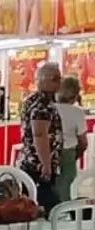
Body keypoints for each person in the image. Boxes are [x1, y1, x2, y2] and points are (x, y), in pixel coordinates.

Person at [18, 61, 63, 213]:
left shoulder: (31, 100)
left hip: (30, 161)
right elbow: (40, 134)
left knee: (30, 203)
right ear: (45, 79)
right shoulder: (42, 105)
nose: (59, 82)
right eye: (56, 78)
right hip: (39, 164)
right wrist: (46, 163)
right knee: (51, 206)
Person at [57, 75, 88, 200]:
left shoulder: (49, 108)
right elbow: (83, 141)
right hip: (69, 151)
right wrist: (77, 154)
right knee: (67, 186)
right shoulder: (77, 112)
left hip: (49, 151)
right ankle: (64, 213)